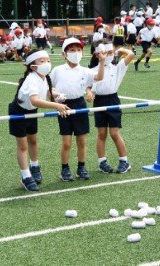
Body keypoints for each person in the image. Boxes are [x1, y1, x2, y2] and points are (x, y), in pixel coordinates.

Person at [8, 50, 70, 191]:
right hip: (19, 113)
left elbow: (48, 92)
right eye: (42, 61)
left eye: (48, 60)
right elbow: (35, 100)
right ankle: (25, 176)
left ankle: (34, 166)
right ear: (32, 66)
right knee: (23, 146)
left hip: (32, 112)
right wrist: (56, 105)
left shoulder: (44, 77)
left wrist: (57, 95)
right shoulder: (31, 79)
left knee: (33, 141)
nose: (47, 63)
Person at [50, 37, 105, 181]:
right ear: (64, 54)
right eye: (72, 50)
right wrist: (56, 97)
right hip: (63, 106)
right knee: (67, 142)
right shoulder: (57, 70)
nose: (76, 53)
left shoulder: (85, 71)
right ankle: (65, 169)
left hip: (80, 105)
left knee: (82, 141)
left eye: (79, 50)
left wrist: (102, 61)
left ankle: (81, 167)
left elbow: (99, 77)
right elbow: (49, 89)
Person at [89, 40, 134, 174]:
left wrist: (118, 50)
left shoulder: (118, 67)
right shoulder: (92, 70)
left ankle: (124, 161)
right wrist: (89, 92)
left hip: (113, 100)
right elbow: (89, 86)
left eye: (110, 53)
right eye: (104, 53)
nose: (107, 55)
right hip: (99, 102)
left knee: (114, 133)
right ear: (97, 55)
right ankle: (102, 162)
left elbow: (131, 54)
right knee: (101, 133)